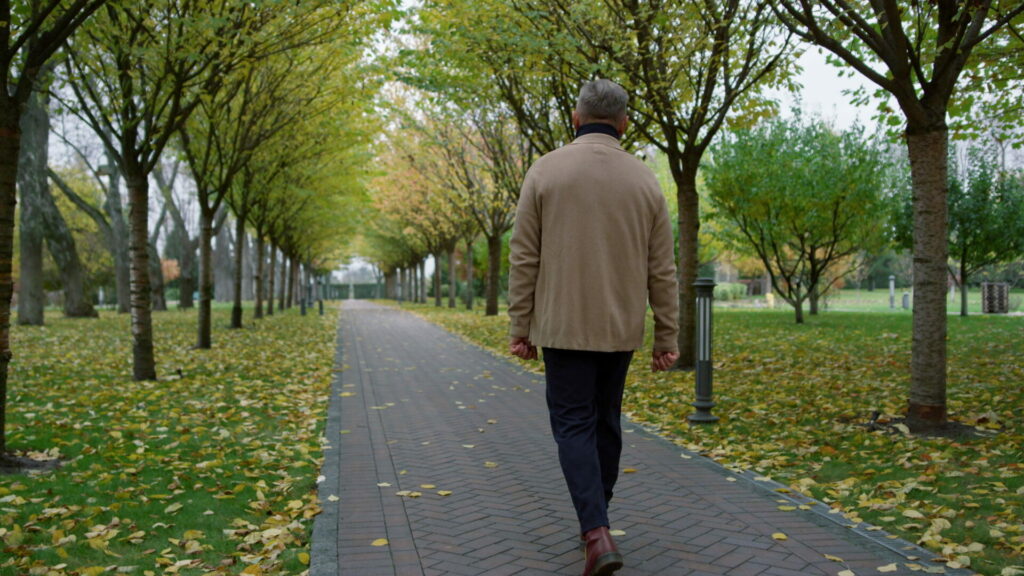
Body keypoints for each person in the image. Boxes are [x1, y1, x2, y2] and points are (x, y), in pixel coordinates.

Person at [507, 79, 680, 576]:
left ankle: (595, 531)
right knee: (606, 420)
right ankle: (596, 520)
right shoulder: (646, 181)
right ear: (624, 123)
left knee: (573, 425)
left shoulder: (544, 171)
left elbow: (524, 258)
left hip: (562, 327)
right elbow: (661, 268)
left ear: (577, 118)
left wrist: (521, 325)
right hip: (619, 327)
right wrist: (666, 335)